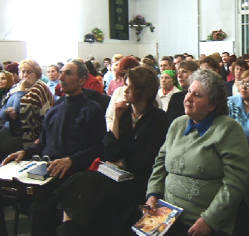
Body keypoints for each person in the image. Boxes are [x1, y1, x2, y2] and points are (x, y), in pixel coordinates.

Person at [54, 66, 169, 236]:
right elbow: (109, 152)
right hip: (118, 174)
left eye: (130, 86)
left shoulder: (158, 118)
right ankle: (69, 229)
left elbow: (146, 159)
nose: (125, 90)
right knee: (80, 184)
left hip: (139, 180)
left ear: (143, 91)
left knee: (86, 186)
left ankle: (70, 229)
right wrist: (116, 117)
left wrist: (122, 160)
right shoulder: (124, 114)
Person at [146, 69, 249, 236]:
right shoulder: (178, 124)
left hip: (201, 221)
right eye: (189, 91)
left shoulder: (228, 130)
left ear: (212, 105)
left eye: (197, 95)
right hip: (166, 215)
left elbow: (235, 183)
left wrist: (209, 220)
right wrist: (153, 194)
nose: (188, 98)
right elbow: (160, 163)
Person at [1, 59, 106, 236]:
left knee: (42, 210)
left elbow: (98, 147)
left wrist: (71, 161)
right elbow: (42, 143)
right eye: (61, 72)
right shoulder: (55, 108)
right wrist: (25, 152)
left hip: (73, 174)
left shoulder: (92, 109)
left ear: (81, 80)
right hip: (46, 170)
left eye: (68, 73)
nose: (61, 77)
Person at [0, 59, 53, 159]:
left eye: (29, 72)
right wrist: (6, 112)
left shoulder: (39, 88)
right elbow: (2, 111)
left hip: (25, 136)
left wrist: (20, 92)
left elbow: (19, 111)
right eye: (22, 71)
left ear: (37, 73)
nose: (25, 75)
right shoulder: (15, 87)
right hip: (8, 128)